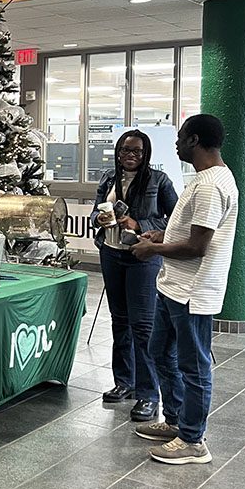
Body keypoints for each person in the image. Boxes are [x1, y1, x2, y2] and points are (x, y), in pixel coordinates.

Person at [131, 115, 238, 465]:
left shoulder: (210, 185)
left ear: (194, 140)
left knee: (195, 365)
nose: (175, 143)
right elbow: (190, 233)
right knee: (159, 350)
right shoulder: (203, 179)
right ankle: (176, 421)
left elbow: (197, 247)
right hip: (173, 286)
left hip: (193, 290)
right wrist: (161, 235)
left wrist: (153, 250)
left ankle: (193, 440)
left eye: (179, 137)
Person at [92, 130, 178, 422]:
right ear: (118, 151)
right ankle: (124, 382)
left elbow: (174, 219)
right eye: (125, 150)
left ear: (146, 154)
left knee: (143, 327)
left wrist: (139, 222)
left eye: (137, 152)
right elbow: (95, 212)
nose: (130, 156)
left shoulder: (159, 181)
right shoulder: (107, 179)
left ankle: (148, 394)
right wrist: (100, 219)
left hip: (141, 258)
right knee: (120, 322)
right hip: (111, 252)